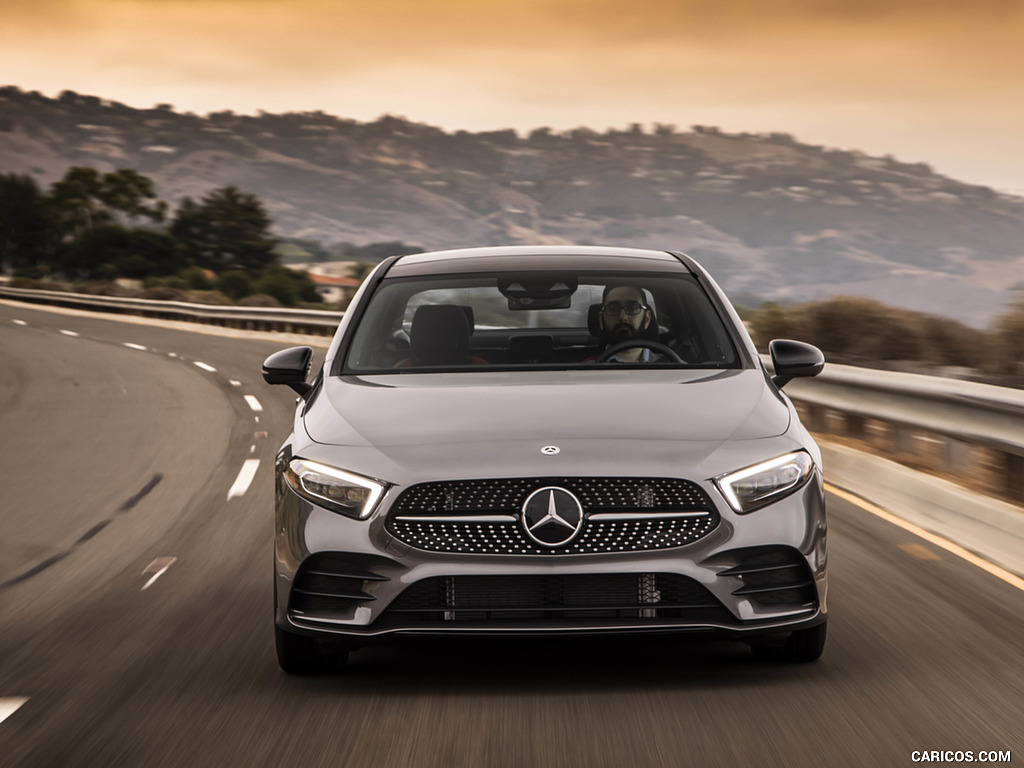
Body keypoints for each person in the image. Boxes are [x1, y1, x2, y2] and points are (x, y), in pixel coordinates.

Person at [597, 285, 655, 362]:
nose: (623, 317)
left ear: (646, 319)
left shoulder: (671, 365)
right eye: (613, 309)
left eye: (632, 308)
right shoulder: (585, 370)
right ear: (601, 319)